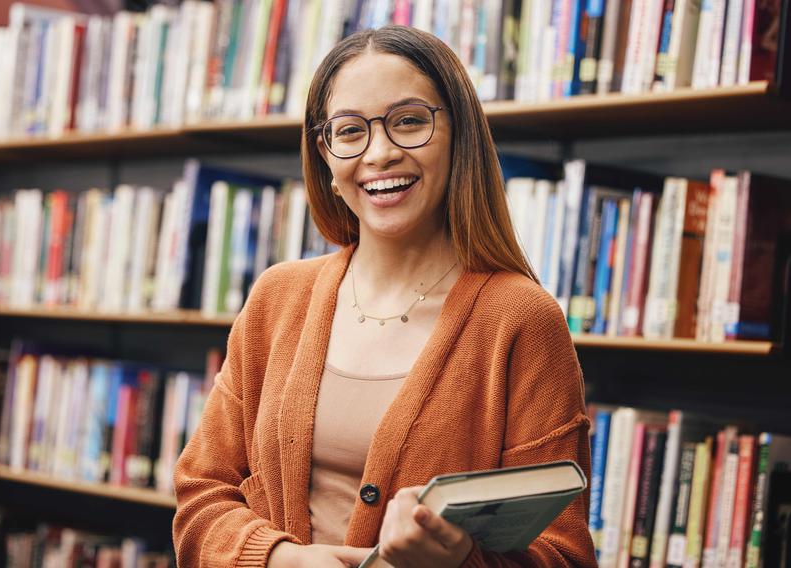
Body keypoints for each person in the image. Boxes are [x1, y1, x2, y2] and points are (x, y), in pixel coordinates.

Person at [173, 25, 595, 568]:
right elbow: (201, 497)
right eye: (350, 131)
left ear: (459, 136)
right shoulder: (277, 298)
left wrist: (458, 560)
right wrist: (282, 559)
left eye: (409, 122)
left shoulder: (521, 319)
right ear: (324, 156)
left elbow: (565, 555)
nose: (380, 153)